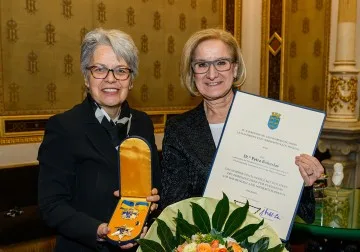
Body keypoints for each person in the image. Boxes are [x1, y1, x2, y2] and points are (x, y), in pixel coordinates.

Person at [161, 28, 324, 224]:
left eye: (221, 63)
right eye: (202, 64)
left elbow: (304, 213)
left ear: (235, 69)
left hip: (265, 238)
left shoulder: (272, 121)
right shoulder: (179, 129)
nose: (212, 74)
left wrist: (305, 182)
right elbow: (173, 206)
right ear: (192, 72)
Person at [38, 28, 161, 252]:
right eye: (100, 69)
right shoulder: (64, 127)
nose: (111, 79)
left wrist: (150, 205)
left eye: (121, 70)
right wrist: (99, 230)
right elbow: (51, 206)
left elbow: (155, 185)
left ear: (131, 80)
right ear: (86, 77)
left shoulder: (143, 123)